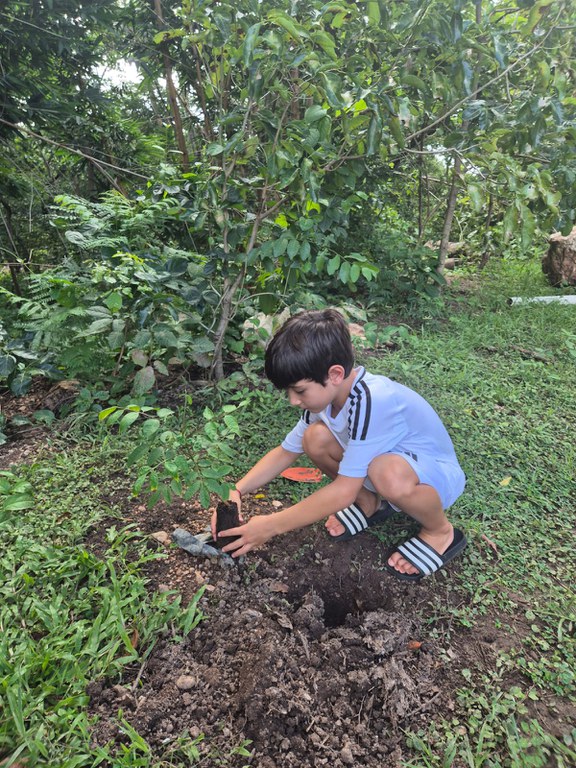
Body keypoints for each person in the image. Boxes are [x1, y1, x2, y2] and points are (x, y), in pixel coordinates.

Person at [214, 308, 467, 581]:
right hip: (393, 464)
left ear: (335, 374)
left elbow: (343, 491)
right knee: (315, 438)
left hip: (436, 476)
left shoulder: (373, 400)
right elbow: (286, 452)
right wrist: (237, 490)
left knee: (387, 472)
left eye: (299, 391)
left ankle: (439, 531)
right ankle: (368, 502)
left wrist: (270, 526)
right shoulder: (325, 401)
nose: (293, 400)